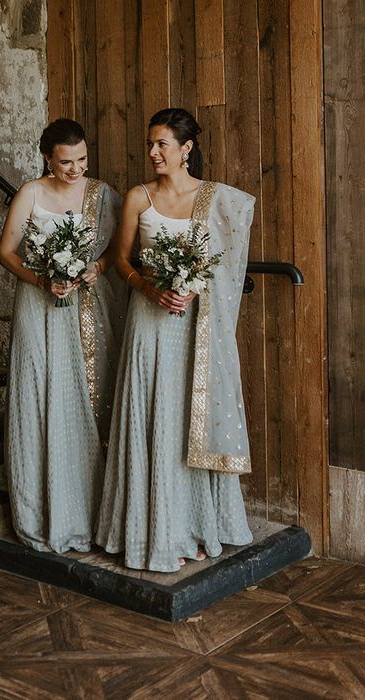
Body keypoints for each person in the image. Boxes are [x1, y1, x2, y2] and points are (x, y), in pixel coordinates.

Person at [95, 107, 254, 572]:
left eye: (162, 144)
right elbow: (121, 261)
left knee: (190, 421)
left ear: (186, 149)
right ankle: (155, 531)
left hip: (196, 329)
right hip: (149, 323)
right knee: (154, 421)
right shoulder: (138, 198)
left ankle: (198, 524)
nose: (153, 152)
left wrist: (192, 287)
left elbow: (226, 265)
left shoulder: (216, 199)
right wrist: (149, 286)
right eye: (150, 144)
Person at [0, 118, 126, 553]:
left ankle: (96, 511)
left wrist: (98, 267)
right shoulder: (31, 193)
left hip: (89, 308)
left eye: (83, 159)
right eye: (66, 162)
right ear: (47, 158)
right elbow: (6, 252)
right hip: (39, 307)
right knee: (41, 398)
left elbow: (118, 249)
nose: (76, 169)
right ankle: (47, 510)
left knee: (92, 397)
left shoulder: (102, 194)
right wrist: (41, 280)